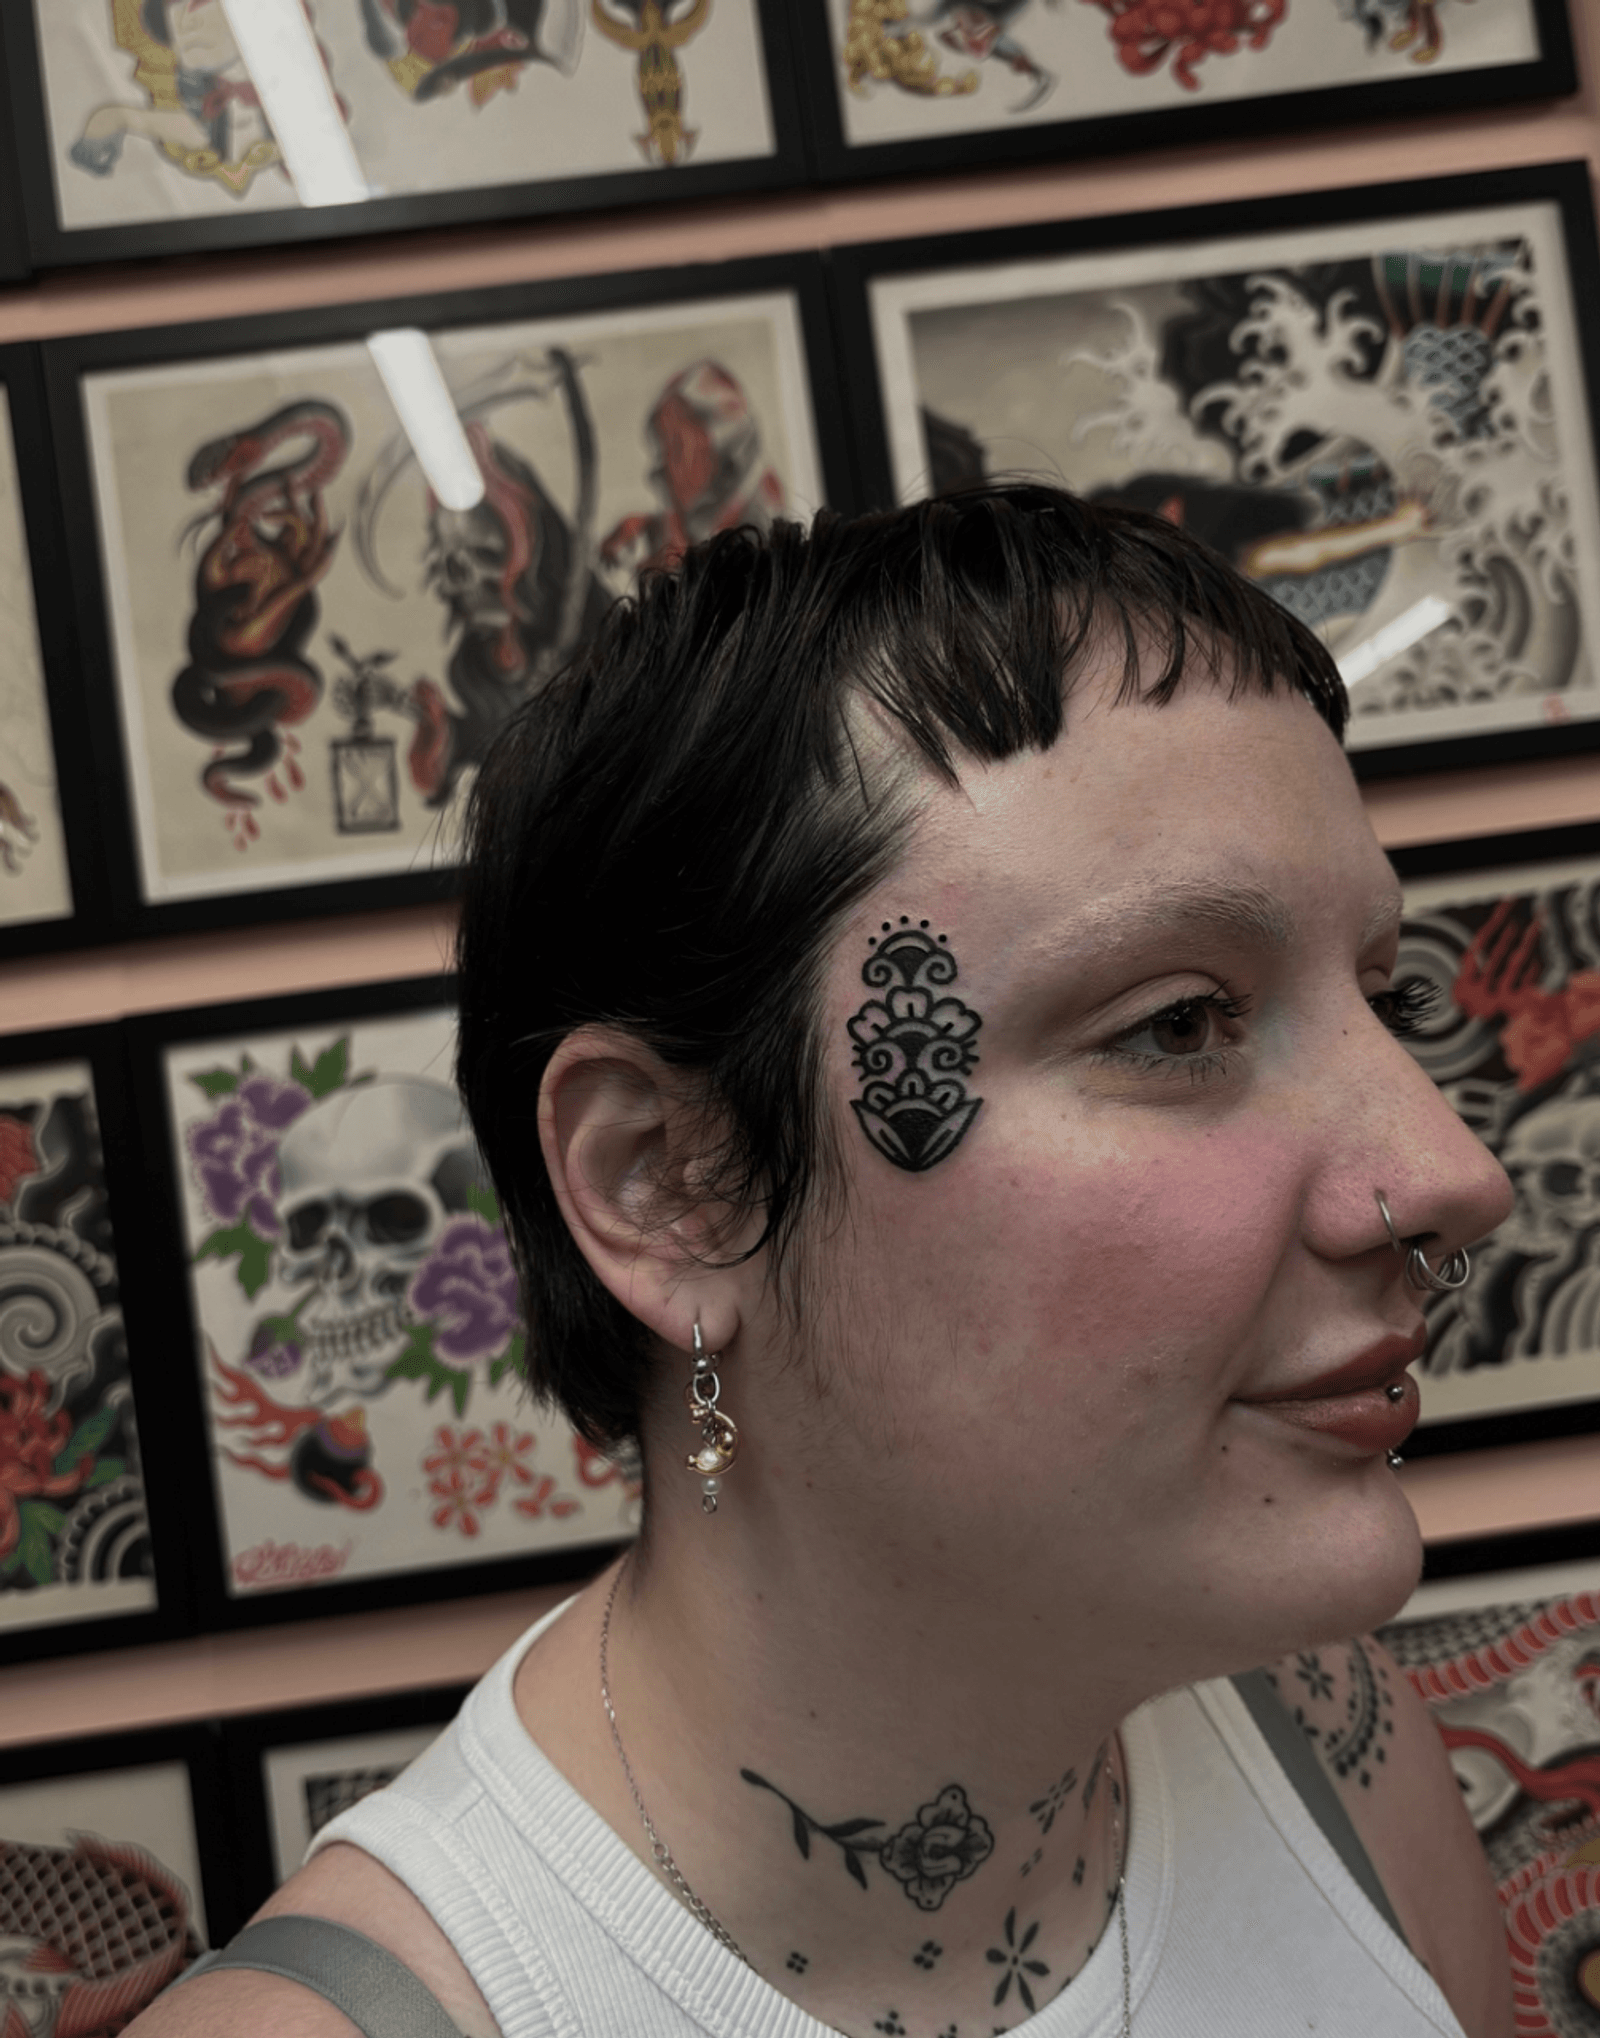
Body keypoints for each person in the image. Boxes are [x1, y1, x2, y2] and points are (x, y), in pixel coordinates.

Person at [138, 485, 1514, 2038]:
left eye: (1386, 997)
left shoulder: (1328, 1741)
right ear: (672, 1186)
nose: (1452, 1172)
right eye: (1178, 1023)